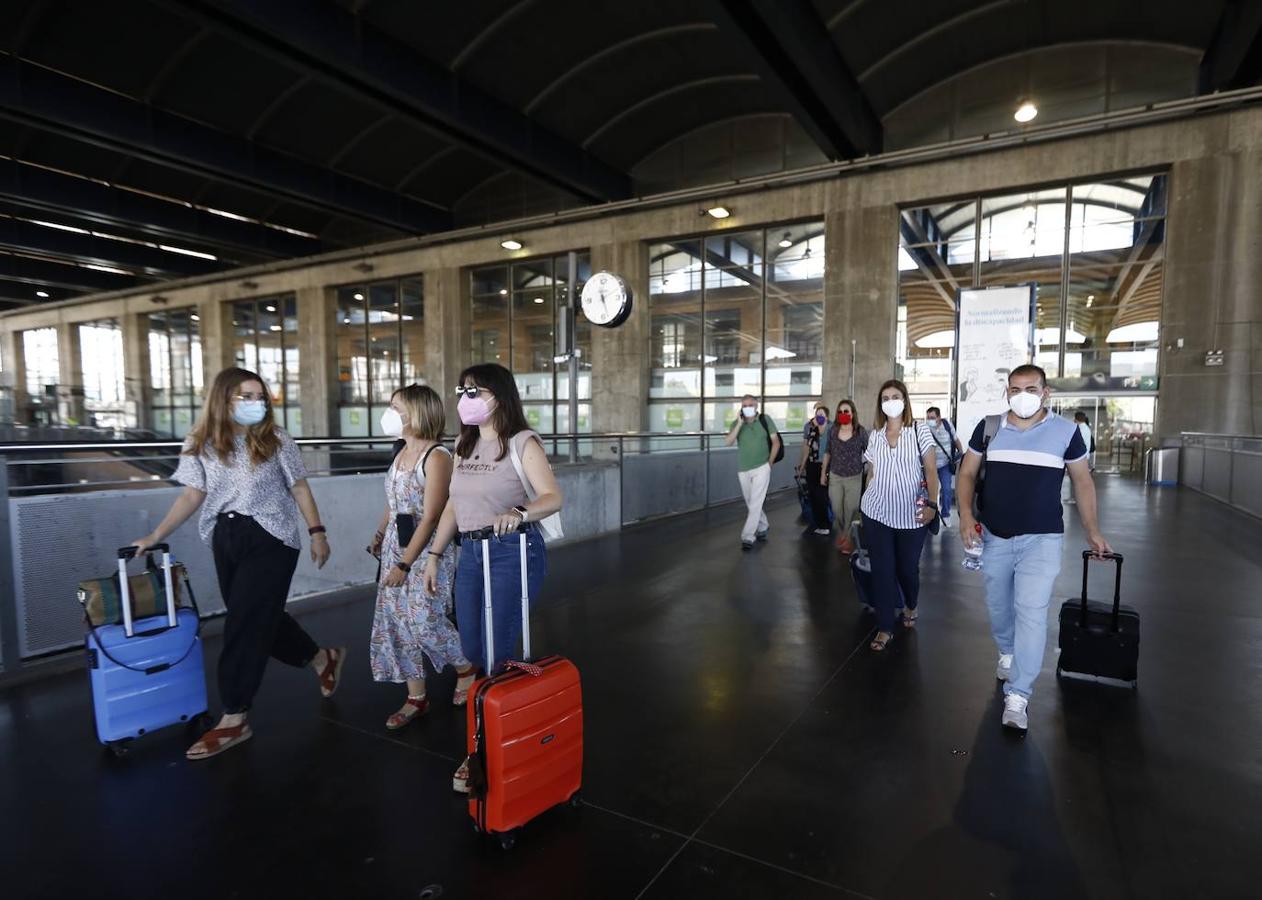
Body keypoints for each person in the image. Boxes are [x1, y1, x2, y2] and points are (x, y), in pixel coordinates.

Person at [130, 367, 341, 761]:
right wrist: (156, 535)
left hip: (272, 536)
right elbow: (193, 496)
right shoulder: (201, 442)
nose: (255, 403)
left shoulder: (276, 439)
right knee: (261, 616)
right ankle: (320, 657)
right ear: (224, 398)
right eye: (246, 395)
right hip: (225, 537)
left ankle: (234, 716)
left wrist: (317, 532)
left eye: (259, 395)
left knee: (244, 622)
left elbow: (299, 486)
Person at [421, 363, 563, 793]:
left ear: (498, 396)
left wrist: (518, 513)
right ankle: (522, 685)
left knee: (496, 651)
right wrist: (433, 554)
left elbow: (553, 497)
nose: (464, 398)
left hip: (511, 551)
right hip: (471, 554)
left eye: (474, 390)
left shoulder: (522, 443)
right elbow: (451, 506)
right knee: (472, 647)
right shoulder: (463, 447)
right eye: (461, 389)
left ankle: (484, 749)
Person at [956, 365, 1112, 732]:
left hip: (1042, 539)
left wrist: (1093, 529)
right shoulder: (990, 427)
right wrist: (965, 516)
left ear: (1046, 392)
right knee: (998, 605)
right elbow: (966, 473)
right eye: (1014, 388)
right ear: (1007, 392)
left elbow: (1083, 481)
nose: (1021, 394)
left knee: (1031, 610)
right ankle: (1007, 651)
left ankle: (1019, 694)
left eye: (1030, 388)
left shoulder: (1065, 432)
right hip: (994, 536)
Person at [368, 384, 475, 731]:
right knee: (397, 622)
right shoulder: (400, 453)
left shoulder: (437, 456)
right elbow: (393, 500)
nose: (390, 414)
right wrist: (381, 533)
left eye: (396, 407)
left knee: (425, 617)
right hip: (395, 548)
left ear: (417, 413)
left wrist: (404, 564)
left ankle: (465, 667)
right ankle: (416, 695)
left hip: (426, 551)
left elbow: (430, 516)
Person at [859, 379, 938, 652]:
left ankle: (911, 603)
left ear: (904, 399)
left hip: (911, 517)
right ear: (880, 404)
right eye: (885, 397)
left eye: (895, 396)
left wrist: (932, 503)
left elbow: (931, 471)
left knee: (907, 568)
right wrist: (868, 493)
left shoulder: (919, 431)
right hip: (876, 512)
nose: (890, 401)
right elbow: (871, 470)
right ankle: (884, 627)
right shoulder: (875, 435)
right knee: (882, 570)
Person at [724, 394, 782, 550]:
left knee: (756, 502)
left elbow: (775, 442)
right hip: (743, 469)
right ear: (741, 407)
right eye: (744, 405)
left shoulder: (765, 420)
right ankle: (763, 526)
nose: (747, 408)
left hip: (762, 467)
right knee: (751, 502)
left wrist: (769, 463)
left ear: (756, 406)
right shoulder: (735, 423)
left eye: (751, 405)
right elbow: (728, 442)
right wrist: (739, 424)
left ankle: (748, 536)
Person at [821, 398, 865, 554]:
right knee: (836, 508)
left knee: (851, 509)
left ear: (852, 413)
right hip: (836, 476)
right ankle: (842, 533)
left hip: (854, 477)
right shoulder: (832, 430)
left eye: (846, 411)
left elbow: (869, 453)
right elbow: (827, 452)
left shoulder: (860, 431)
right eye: (840, 412)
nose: (843, 414)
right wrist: (823, 473)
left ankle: (846, 539)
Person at [924, 406, 964, 528]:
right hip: (930, 466)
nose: (929, 420)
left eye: (932, 417)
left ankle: (945, 514)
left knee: (946, 489)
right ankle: (929, 515)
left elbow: (956, 439)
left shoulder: (947, 425)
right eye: (928, 417)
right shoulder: (925, 429)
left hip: (945, 465)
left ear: (939, 417)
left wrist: (961, 453)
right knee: (927, 491)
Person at [796, 402, 832, 535]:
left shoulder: (831, 428)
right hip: (812, 464)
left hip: (825, 465)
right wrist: (802, 465)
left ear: (827, 417)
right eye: (817, 414)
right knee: (813, 495)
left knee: (821, 495)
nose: (819, 417)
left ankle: (826, 524)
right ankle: (818, 523)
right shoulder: (810, 429)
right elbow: (807, 448)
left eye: (822, 415)